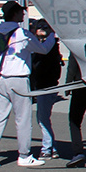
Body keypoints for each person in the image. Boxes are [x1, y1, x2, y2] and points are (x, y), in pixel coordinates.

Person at [0, 1, 58, 168]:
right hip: (19, 79)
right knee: (23, 119)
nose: (23, 14)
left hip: (1, 79)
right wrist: (52, 37)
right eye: (21, 11)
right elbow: (42, 49)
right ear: (15, 14)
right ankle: (24, 155)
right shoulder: (21, 33)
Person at [29, 19, 64, 158]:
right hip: (45, 85)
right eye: (40, 27)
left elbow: (44, 68)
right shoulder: (45, 46)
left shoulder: (48, 48)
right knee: (44, 118)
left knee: (43, 119)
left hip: (46, 86)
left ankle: (47, 148)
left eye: (45, 27)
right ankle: (52, 147)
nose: (42, 29)